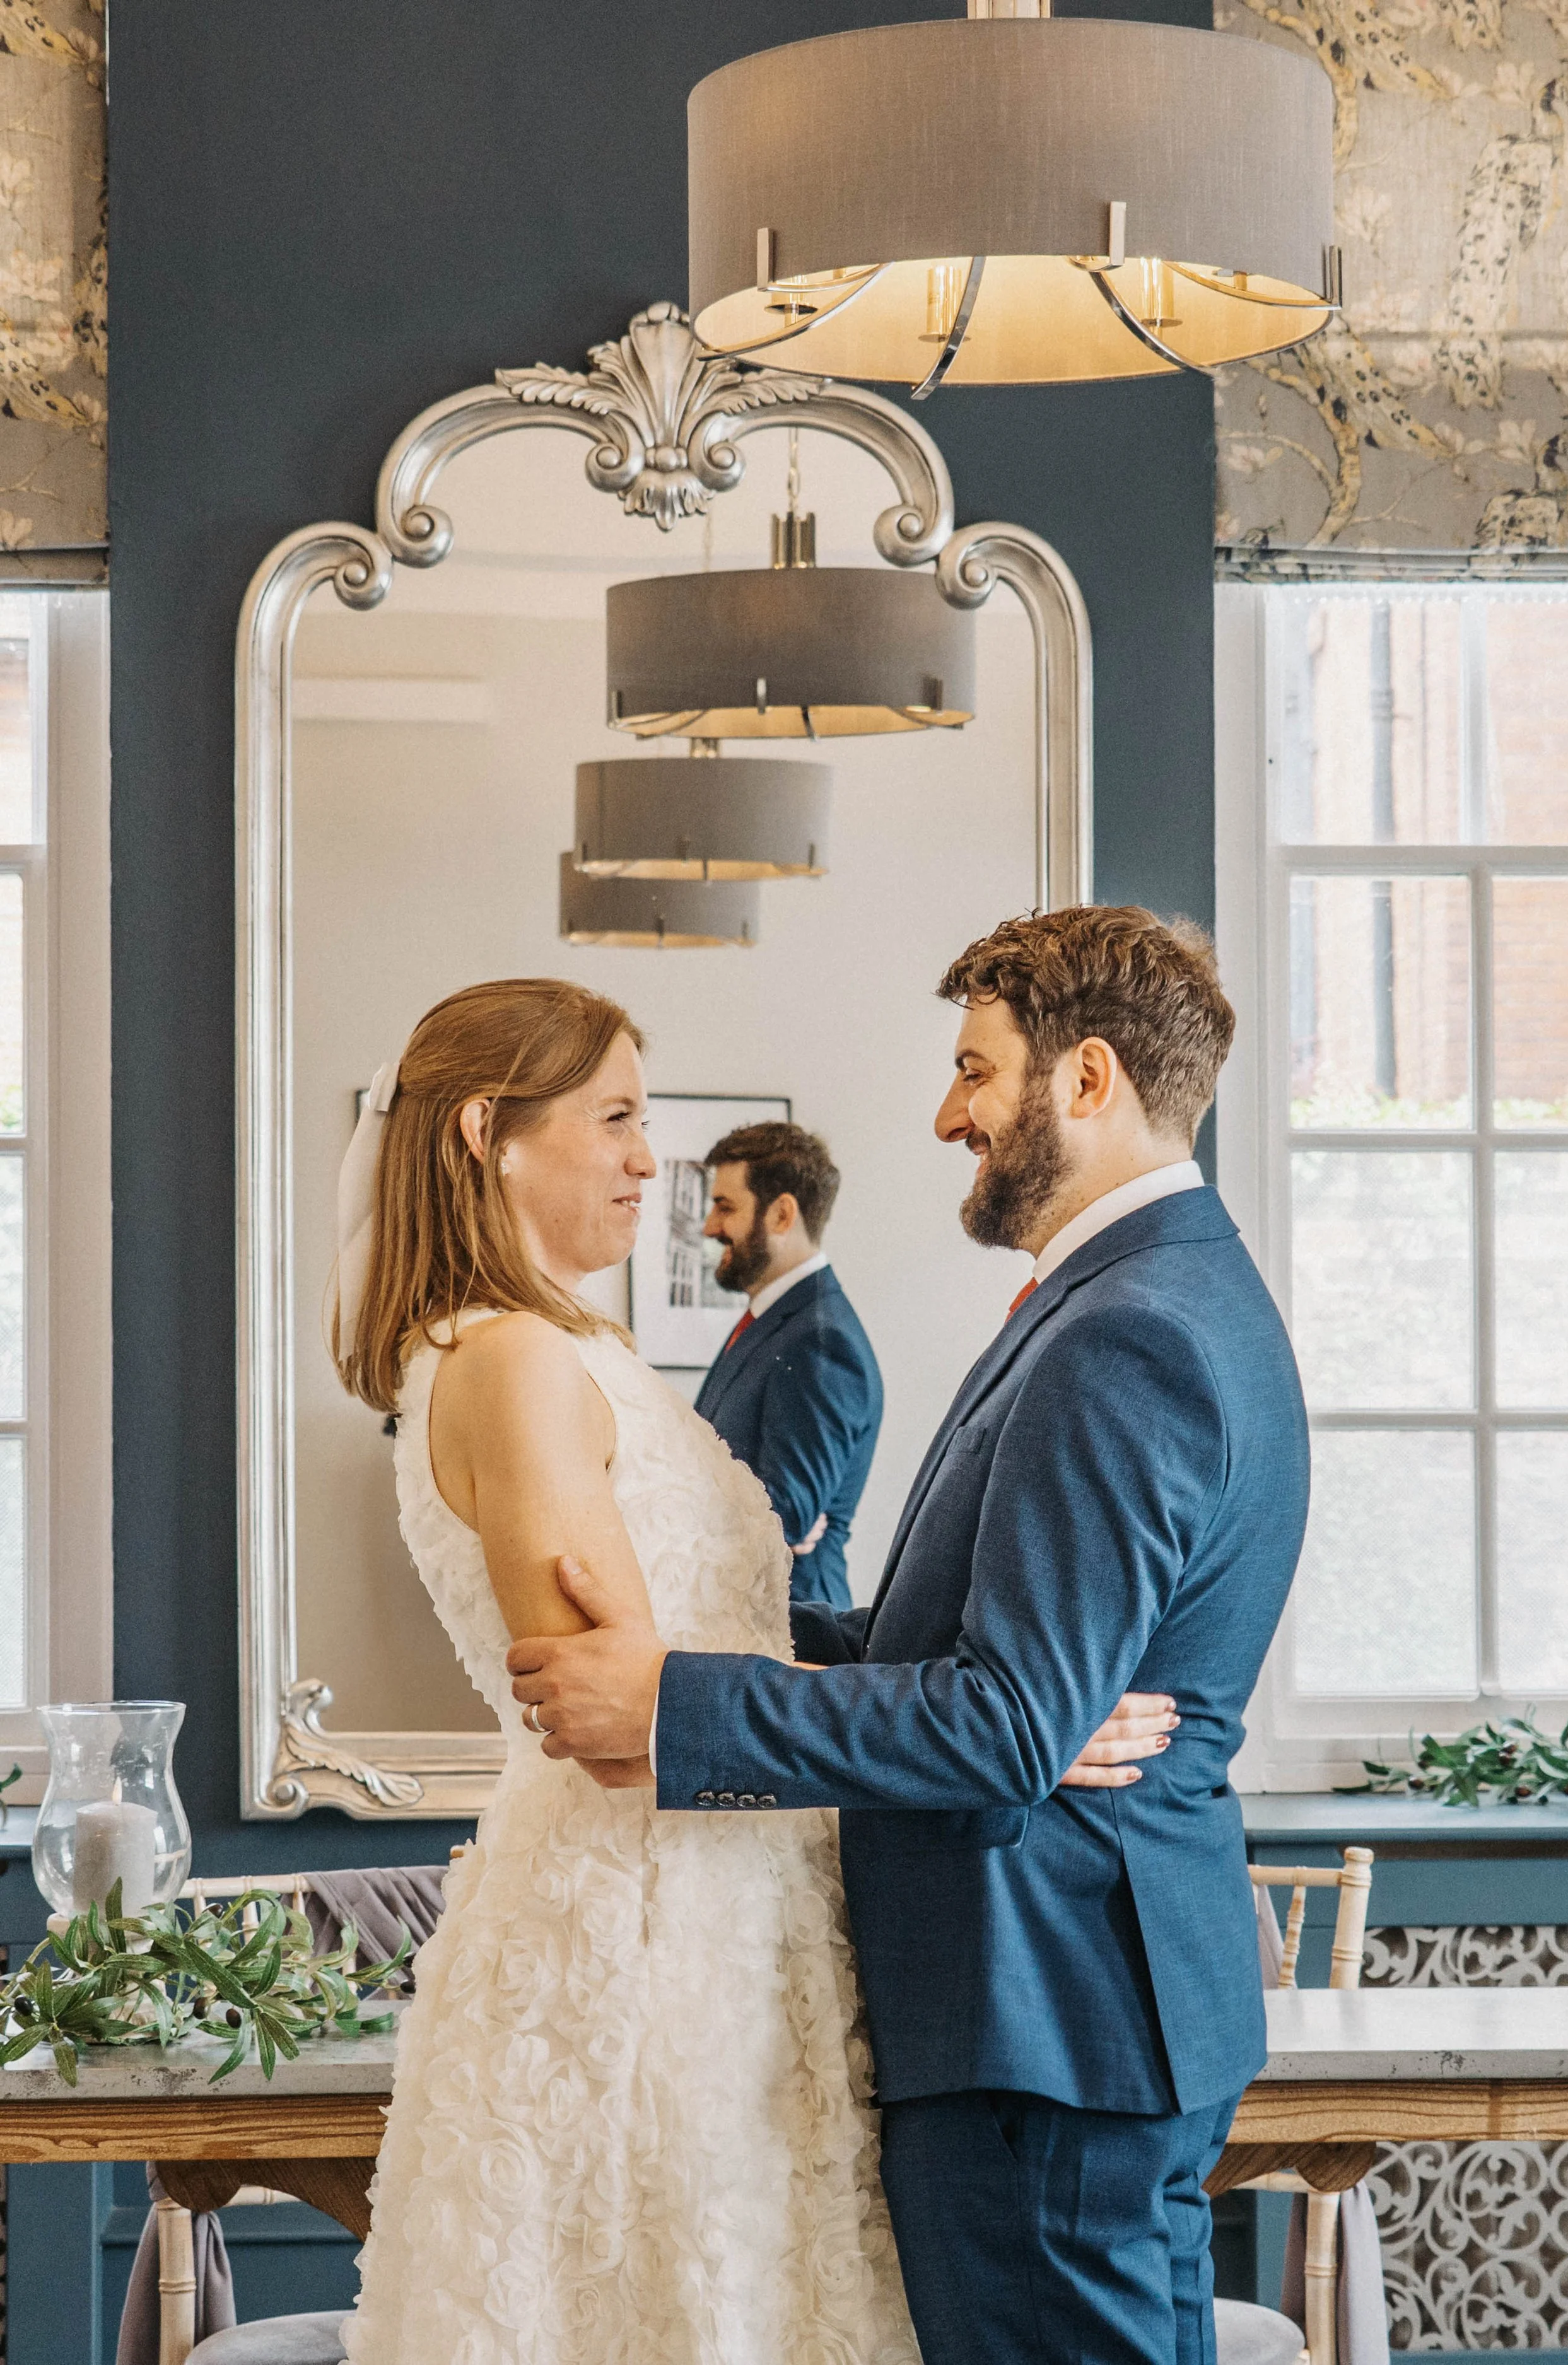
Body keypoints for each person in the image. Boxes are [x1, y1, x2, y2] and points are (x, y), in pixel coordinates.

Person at [506, 908, 1313, 2365]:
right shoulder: (1153, 1295)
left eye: (974, 1071)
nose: (948, 1114)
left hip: (1043, 2024)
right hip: (1075, 2010)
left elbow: (1004, 1723)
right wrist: (717, 1621)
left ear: (1085, 1081)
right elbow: (980, 1661)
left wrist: (673, 1705)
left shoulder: (1126, 1332)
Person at [329, 972, 1171, 2365]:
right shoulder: (512, 1366)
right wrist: (1000, 1727)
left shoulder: (577, 1352)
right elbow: (620, 1714)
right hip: (641, 1939)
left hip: (729, 1918)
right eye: (613, 1119)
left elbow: (713, 1650)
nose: (648, 1160)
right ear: (487, 1129)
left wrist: (1009, 1712)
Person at [696, 1120, 881, 1611]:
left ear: (782, 1214)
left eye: (725, 1207)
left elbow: (782, 1520)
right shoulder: (773, 1321)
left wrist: (778, 1524)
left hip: (788, 1632)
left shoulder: (821, 1341)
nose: (709, 1227)